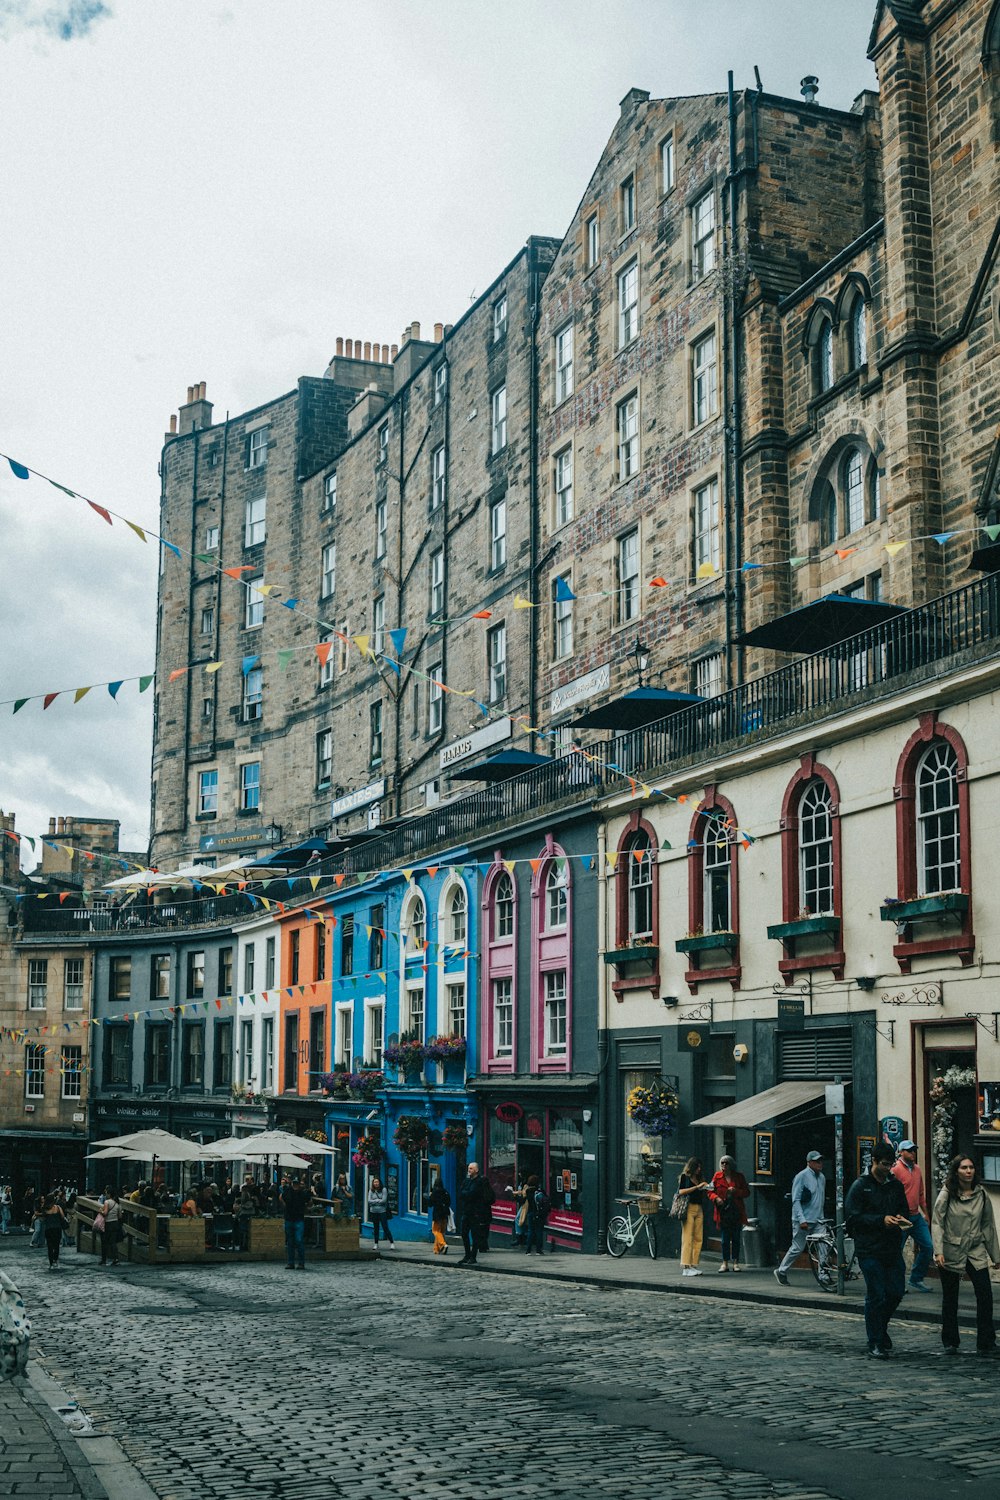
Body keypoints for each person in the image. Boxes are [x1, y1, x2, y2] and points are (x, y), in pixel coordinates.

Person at [845, 1141, 911, 1358]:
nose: (888, 1169)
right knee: (877, 1295)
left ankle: (880, 1329)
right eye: (884, 1164)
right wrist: (880, 1220)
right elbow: (853, 1219)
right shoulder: (860, 1186)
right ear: (873, 1161)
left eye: (891, 1164)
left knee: (896, 1292)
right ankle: (875, 1341)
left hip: (891, 1248)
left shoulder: (895, 1185)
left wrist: (901, 1219)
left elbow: (904, 1210)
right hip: (869, 1249)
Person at [932, 1154, 1000, 1357]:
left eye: (971, 1167)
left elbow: (988, 1225)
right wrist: (939, 1251)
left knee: (985, 1294)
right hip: (952, 1249)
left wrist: (995, 1256)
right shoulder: (946, 1194)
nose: (969, 1171)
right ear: (956, 1171)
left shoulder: (981, 1194)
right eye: (964, 1168)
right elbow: (937, 1223)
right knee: (950, 1297)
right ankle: (950, 1342)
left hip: (975, 1250)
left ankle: (986, 1341)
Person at [775, 1151, 829, 1288]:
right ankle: (781, 1270)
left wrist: (822, 1217)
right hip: (803, 1219)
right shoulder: (801, 1176)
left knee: (823, 1246)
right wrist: (801, 1219)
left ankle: (823, 1274)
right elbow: (796, 1200)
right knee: (798, 1247)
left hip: (818, 1219)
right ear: (809, 1162)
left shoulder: (822, 1177)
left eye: (821, 1161)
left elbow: (821, 1199)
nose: (820, 1164)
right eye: (817, 1161)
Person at [891, 1139, 933, 1293]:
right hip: (901, 1217)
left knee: (928, 1247)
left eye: (914, 1150)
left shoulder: (917, 1169)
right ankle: (897, 1283)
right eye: (909, 1150)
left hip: (916, 1216)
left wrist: (926, 1214)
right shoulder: (895, 1169)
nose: (913, 1153)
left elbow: (921, 1193)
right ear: (901, 1152)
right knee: (897, 1251)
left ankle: (916, 1278)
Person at [710, 1155, 750, 1272]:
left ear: (731, 1165)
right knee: (724, 1239)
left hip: (736, 1211)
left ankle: (736, 1262)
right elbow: (710, 1191)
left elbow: (747, 1192)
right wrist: (716, 1198)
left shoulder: (739, 1177)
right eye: (722, 1163)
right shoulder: (717, 1177)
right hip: (723, 1212)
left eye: (726, 1163)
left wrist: (736, 1191)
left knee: (736, 1238)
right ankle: (725, 1263)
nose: (724, 1166)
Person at [677, 1157, 711, 1276]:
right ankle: (685, 1266)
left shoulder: (699, 1178)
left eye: (700, 1167)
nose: (699, 1169)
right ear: (692, 1167)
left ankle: (693, 1264)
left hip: (699, 1208)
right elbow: (681, 1192)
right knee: (687, 1237)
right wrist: (697, 1187)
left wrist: (706, 1187)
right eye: (697, 1167)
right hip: (689, 1208)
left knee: (698, 1237)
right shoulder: (685, 1177)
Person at [456, 1162, 489, 1265]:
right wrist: (466, 1193)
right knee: (464, 1234)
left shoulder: (479, 1182)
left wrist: (466, 1193)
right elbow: (461, 1193)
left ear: (476, 1170)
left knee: (475, 1236)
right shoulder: (466, 1181)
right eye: (468, 1168)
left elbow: (472, 1194)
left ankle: (473, 1256)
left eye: (471, 1168)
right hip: (466, 1212)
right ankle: (467, 1255)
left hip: (475, 1213)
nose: (469, 1170)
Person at [280, 1175, 312, 1269]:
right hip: (289, 1219)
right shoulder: (288, 1191)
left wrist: (305, 1207)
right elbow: (281, 1197)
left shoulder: (303, 1193)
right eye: (294, 1184)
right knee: (290, 1242)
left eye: (297, 1184)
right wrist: (285, 1206)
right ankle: (291, 1263)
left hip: (298, 1219)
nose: (295, 1185)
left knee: (299, 1240)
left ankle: (301, 1263)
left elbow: (309, 1201)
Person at [524, 1176, 550, 1255]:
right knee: (539, 1231)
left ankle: (528, 1250)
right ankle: (538, 1250)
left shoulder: (528, 1191)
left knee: (530, 1231)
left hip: (530, 1212)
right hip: (539, 1213)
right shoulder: (540, 1191)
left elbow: (524, 1199)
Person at [41, 1194, 67, 1271]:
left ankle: (51, 1262)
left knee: (50, 1246)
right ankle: (55, 1260)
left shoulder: (44, 1208)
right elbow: (62, 1216)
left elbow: (43, 1218)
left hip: (48, 1229)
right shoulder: (58, 1207)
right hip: (57, 1228)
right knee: (56, 1245)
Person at [367, 1176, 394, 1249]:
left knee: (385, 1227)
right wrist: (378, 1201)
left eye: (377, 1182)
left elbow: (384, 1200)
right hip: (373, 1212)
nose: (376, 1183)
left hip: (382, 1211)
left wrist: (374, 1201)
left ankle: (391, 1242)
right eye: (374, 1182)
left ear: (379, 1183)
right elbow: (369, 1201)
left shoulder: (383, 1189)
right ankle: (376, 1244)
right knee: (376, 1228)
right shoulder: (371, 1190)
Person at [429, 1177, 451, 1255]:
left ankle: (443, 1244)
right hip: (445, 1214)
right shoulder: (445, 1192)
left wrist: (429, 1196)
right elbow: (449, 1203)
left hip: (437, 1214)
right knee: (441, 1232)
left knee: (435, 1231)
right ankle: (436, 1249)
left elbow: (430, 1203)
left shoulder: (435, 1192)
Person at [102, 1191, 123, 1266]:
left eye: (107, 1193)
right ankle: (116, 1259)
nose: (106, 1195)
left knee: (104, 1242)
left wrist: (100, 1211)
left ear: (109, 1194)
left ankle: (104, 1260)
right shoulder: (118, 1204)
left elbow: (105, 1213)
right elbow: (120, 1216)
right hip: (115, 1223)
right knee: (113, 1242)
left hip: (108, 1223)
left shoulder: (107, 1202)